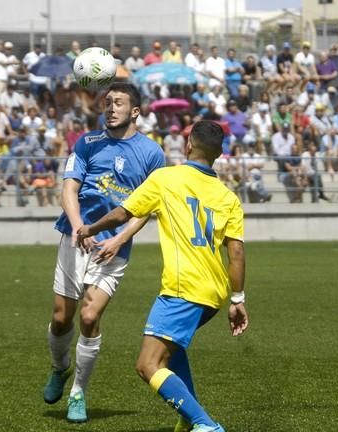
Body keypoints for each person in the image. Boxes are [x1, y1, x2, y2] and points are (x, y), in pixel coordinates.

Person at [76, 120, 247, 432]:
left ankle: (205, 425)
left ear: (188, 146)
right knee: (172, 350)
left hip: (183, 290)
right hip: (214, 294)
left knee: (148, 365)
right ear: (220, 154)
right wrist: (238, 299)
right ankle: (188, 416)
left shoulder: (166, 179)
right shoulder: (228, 197)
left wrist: (90, 228)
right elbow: (235, 253)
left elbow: (122, 213)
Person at [42, 83, 165, 423]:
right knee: (60, 318)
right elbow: (69, 189)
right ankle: (60, 367)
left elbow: (147, 207)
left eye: (119, 103)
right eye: (107, 102)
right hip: (74, 237)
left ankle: (78, 391)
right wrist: (79, 225)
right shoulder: (86, 143)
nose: (111, 108)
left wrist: (120, 238)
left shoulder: (152, 153)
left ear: (135, 111)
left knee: (90, 317)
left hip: (113, 247)